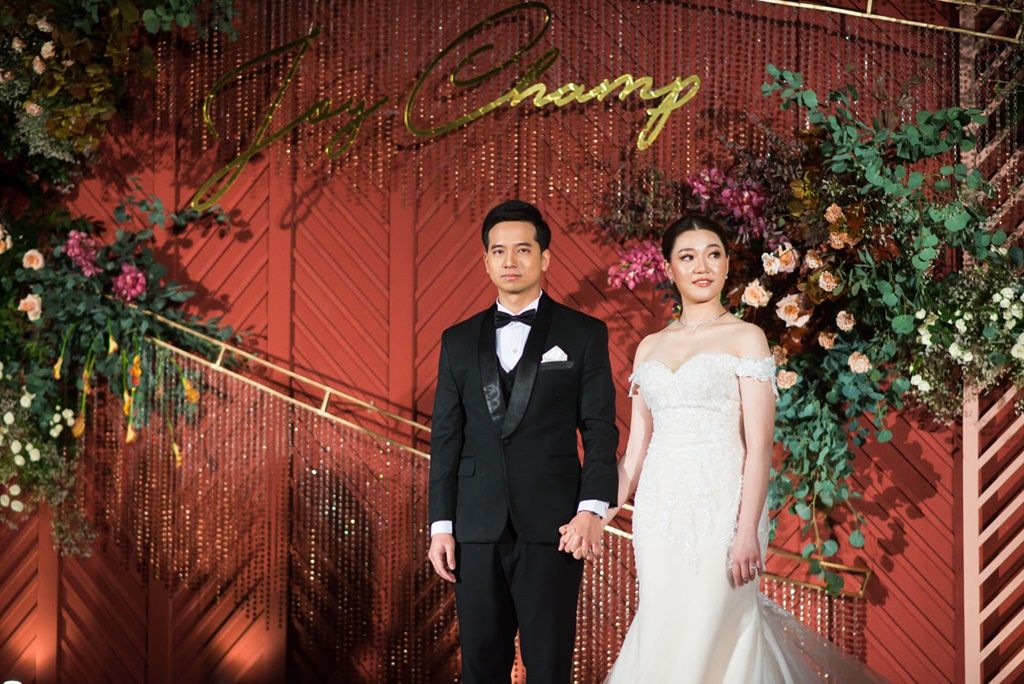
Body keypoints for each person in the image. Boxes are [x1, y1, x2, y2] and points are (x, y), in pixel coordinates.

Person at [586, 214, 886, 683]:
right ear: (669, 268)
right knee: (662, 629)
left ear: (727, 264)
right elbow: (636, 450)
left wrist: (746, 530)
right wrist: (596, 515)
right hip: (660, 514)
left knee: (715, 631)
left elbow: (760, 445)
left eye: (713, 255)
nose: (701, 266)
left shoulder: (746, 337)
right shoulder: (649, 348)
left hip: (723, 514)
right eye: (688, 257)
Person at [427, 199, 619, 684]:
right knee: (480, 669)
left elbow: (600, 429)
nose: (510, 261)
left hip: (555, 527)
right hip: (475, 528)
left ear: (545, 257)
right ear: (486, 260)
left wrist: (592, 510)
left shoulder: (584, 334)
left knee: (550, 668)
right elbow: (446, 439)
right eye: (499, 251)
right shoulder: (456, 340)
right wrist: (441, 526)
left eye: (522, 249)